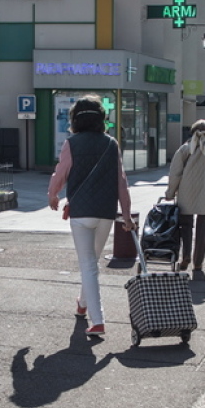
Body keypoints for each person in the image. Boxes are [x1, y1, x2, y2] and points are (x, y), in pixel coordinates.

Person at [47, 94, 135, 339]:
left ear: (75, 119)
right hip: (106, 212)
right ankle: (82, 304)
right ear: (101, 119)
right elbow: (122, 182)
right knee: (91, 263)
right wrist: (126, 214)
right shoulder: (111, 144)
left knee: (88, 264)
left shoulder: (71, 144)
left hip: (81, 212)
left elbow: (60, 173)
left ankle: (98, 320)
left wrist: (53, 194)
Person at [164, 119, 205, 277]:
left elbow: (175, 174)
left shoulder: (185, 149)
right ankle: (198, 263)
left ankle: (186, 255)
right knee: (202, 228)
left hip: (186, 193)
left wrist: (170, 192)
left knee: (185, 227)